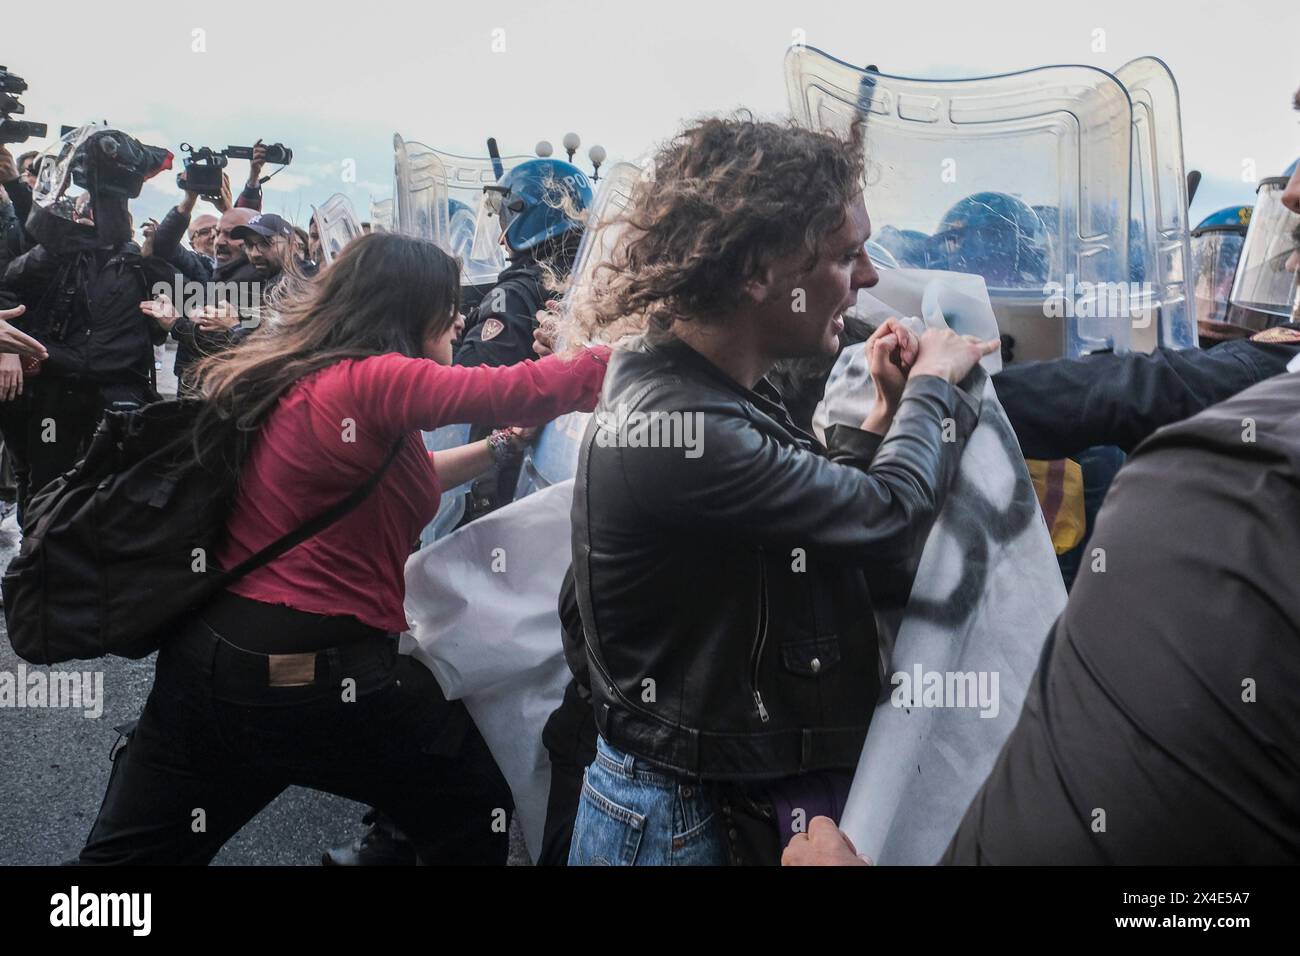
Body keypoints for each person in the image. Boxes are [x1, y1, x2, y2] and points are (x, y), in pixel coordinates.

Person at [76, 232, 610, 865]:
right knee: (472, 802)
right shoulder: (373, 380)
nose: (461, 318)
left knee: (126, 865)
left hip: (211, 660)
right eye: (448, 306)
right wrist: (624, 356)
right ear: (407, 310)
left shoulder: (318, 375)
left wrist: (500, 448)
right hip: (313, 672)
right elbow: (505, 389)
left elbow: (412, 477)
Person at [565, 114, 998, 866]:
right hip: (676, 821)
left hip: (693, 800)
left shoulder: (702, 391)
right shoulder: (684, 426)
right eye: (846, 255)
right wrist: (931, 389)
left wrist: (884, 415)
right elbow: (885, 522)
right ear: (758, 269)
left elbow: (811, 512)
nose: (866, 277)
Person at [0, 125, 174, 515]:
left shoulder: (143, 266)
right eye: (92, 204)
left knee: (115, 497)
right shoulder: (55, 255)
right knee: (45, 491)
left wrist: (166, 321)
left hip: (119, 392)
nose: (96, 214)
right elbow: (16, 278)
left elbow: (164, 326)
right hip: (56, 390)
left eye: (110, 208)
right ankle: (37, 563)